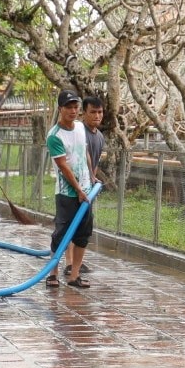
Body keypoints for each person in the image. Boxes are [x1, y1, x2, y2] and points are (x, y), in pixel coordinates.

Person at [45, 91, 94, 288]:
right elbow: (63, 167)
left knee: (83, 234)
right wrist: (79, 190)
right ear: (60, 109)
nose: (73, 111)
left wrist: (91, 176)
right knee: (62, 234)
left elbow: (85, 152)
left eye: (76, 107)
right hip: (67, 193)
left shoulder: (81, 128)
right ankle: (53, 274)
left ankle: (74, 276)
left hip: (86, 191)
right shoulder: (54, 136)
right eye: (69, 107)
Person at [80, 94, 107, 274]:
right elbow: (83, 155)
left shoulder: (100, 137)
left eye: (100, 112)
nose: (97, 116)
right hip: (74, 186)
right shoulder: (78, 131)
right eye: (93, 112)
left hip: (88, 188)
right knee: (70, 227)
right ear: (84, 113)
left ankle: (76, 263)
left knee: (84, 228)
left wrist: (93, 179)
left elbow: (94, 161)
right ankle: (68, 264)